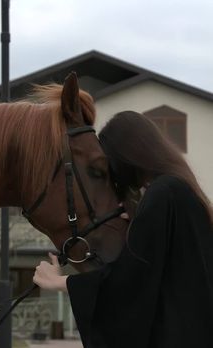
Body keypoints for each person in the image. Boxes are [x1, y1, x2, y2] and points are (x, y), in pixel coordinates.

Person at [33, 111, 213, 348]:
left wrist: (61, 282)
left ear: (123, 157)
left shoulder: (163, 193)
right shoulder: (185, 192)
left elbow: (132, 280)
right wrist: (141, 219)